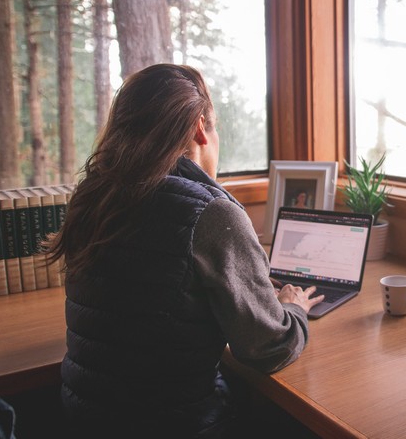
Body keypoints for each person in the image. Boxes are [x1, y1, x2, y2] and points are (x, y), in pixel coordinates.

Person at [46, 63, 324, 438]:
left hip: (83, 418)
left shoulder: (93, 194)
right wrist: (293, 307)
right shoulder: (210, 212)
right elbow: (268, 348)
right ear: (199, 127)